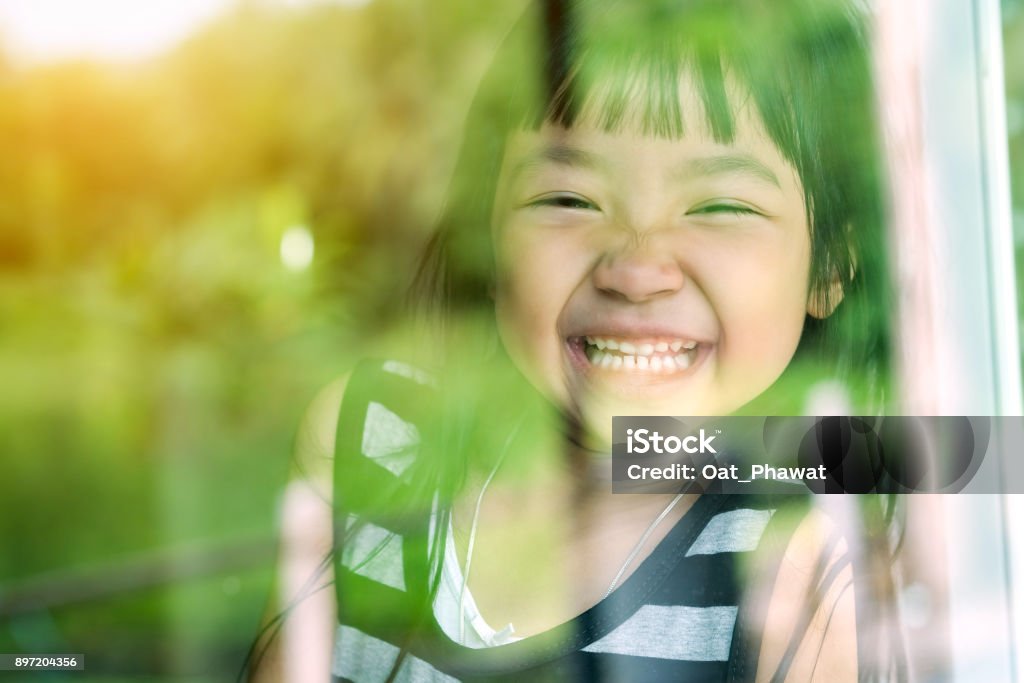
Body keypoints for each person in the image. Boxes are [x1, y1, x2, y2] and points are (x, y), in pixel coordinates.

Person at [247, 0, 904, 680]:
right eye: (570, 198)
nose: (638, 269)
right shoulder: (373, 434)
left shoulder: (807, 570)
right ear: (489, 226)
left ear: (830, 263)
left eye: (719, 206)